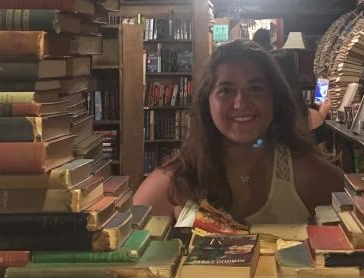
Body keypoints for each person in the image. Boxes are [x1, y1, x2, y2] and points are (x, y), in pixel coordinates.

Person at [134, 39, 345, 223]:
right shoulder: (175, 181)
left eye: (255, 88)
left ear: (274, 99)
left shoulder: (307, 175)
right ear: (206, 103)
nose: (241, 102)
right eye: (226, 90)